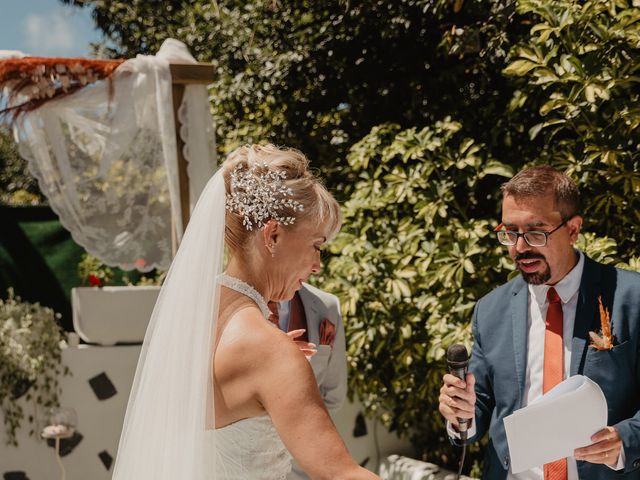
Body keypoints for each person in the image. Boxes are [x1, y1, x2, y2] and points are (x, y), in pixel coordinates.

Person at [112, 144, 378, 480]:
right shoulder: (270, 351)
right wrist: (280, 361)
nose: (316, 265)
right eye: (316, 245)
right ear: (273, 235)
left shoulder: (190, 319)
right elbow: (340, 475)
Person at [438, 166, 640, 479]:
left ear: (573, 230)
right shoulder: (490, 310)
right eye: (510, 232)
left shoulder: (631, 297)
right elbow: (480, 406)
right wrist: (460, 414)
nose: (520, 247)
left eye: (536, 232)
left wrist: (626, 440)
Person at [269, 285, 348, 480]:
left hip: (302, 471)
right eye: (313, 251)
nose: (317, 265)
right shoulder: (217, 302)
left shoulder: (327, 306)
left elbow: (333, 396)